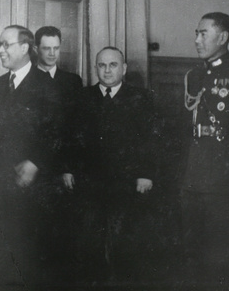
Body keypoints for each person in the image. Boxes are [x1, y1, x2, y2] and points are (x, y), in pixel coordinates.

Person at [0, 25, 63, 287]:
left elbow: (59, 132)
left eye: (5, 44)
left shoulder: (47, 85)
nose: (0, 50)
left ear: (25, 48)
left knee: (28, 254)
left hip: (33, 188)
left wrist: (36, 163)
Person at [76, 46, 156, 282]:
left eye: (113, 65)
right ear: (95, 68)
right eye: (102, 65)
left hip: (126, 185)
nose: (107, 70)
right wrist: (69, 169)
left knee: (122, 245)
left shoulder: (141, 98)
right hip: (90, 184)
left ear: (124, 68)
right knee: (90, 242)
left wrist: (146, 174)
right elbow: (71, 137)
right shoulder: (83, 97)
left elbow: (150, 140)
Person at [179, 12, 229, 283]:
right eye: (196, 33)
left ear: (223, 37)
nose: (197, 40)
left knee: (219, 253)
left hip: (223, 177)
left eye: (203, 34)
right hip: (191, 175)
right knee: (190, 251)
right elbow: (183, 128)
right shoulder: (194, 75)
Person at [34, 25, 82, 283]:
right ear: (35, 49)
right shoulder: (25, 79)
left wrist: (68, 168)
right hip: (32, 170)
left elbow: (75, 131)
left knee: (61, 235)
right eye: (46, 48)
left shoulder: (72, 82)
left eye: (56, 48)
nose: (52, 54)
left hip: (61, 170)